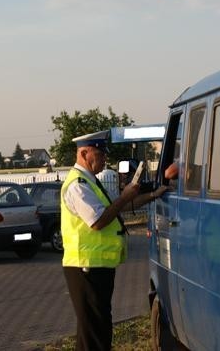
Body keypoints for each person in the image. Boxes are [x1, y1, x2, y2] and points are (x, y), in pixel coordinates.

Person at [61, 130, 168, 351]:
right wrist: (124, 196)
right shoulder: (78, 185)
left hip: (95, 267)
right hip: (86, 267)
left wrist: (151, 195)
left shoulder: (90, 182)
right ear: (84, 153)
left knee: (95, 329)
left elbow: (116, 209)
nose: (104, 159)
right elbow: (99, 220)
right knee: (95, 332)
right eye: (100, 155)